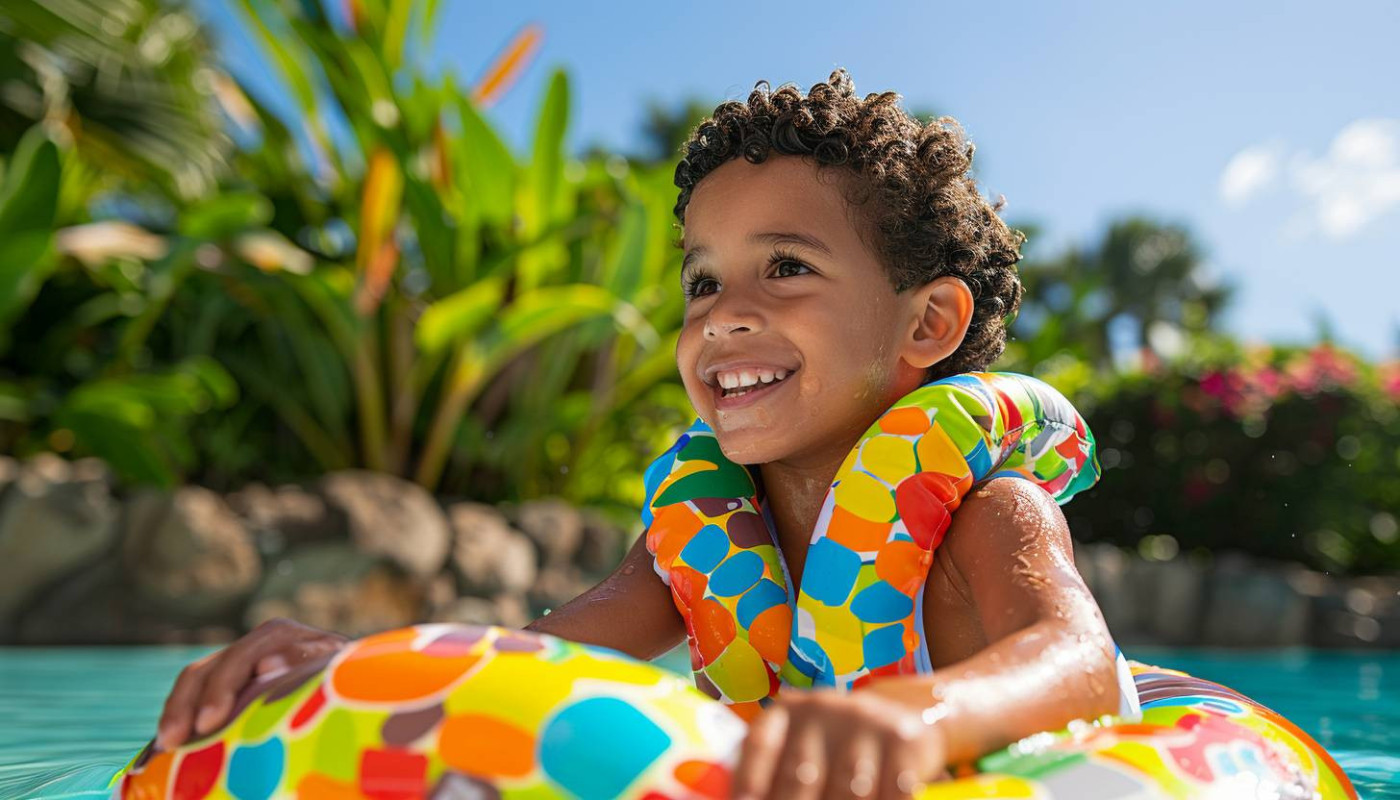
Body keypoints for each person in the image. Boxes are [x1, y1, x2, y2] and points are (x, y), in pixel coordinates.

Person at [153, 68, 1130, 799]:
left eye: (786, 267)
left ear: (927, 323)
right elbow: (522, 655)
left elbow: (1079, 660)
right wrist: (348, 661)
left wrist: (920, 717)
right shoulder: (707, 533)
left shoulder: (986, 511)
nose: (723, 315)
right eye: (702, 281)